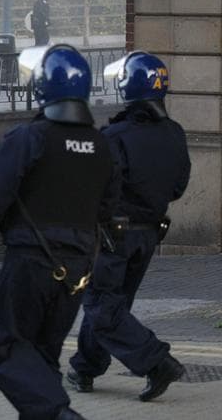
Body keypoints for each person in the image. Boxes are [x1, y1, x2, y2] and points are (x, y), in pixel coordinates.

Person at [0, 44, 120, 420]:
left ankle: (60, 416)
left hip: (32, 261)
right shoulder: (102, 145)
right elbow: (107, 207)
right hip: (79, 269)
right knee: (42, 357)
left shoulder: (29, 138)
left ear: (42, 88)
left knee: (2, 344)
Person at [67, 52, 191, 401]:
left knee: (100, 305)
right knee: (114, 304)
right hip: (150, 234)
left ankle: (157, 362)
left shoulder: (116, 135)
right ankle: (85, 368)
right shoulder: (175, 133)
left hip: (114, 235)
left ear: (128, 86)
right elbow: (179, 187)